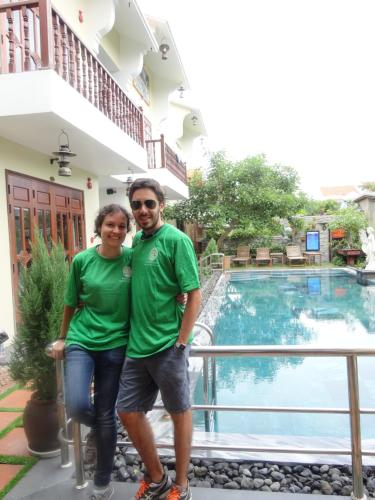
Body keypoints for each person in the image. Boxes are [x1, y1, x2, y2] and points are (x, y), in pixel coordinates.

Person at [117, 178, 201, 500]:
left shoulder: (176, 240)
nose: (142, 210)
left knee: (179, 411)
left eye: (149, 203)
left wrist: (181, 342)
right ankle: (157, 477)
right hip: (137, 346)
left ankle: (181, 486)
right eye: (136, 204)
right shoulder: (136, 242)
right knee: (127, 410)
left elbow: (193, 293)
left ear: (161, 205)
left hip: (168, 344)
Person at [51, 203, 132, 500]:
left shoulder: (132, 260)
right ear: (99, 227)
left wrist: (177, 293)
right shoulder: (82, 261)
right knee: (75, 404)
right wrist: (62, 338)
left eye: (122, 226)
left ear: (126, 231)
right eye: (110, 224)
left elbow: (155, 282)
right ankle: (100, 427)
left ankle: (101, 481)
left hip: (116, 344)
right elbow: (70, 302)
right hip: (82, 340)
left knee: (107, 415)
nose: (116, 230)